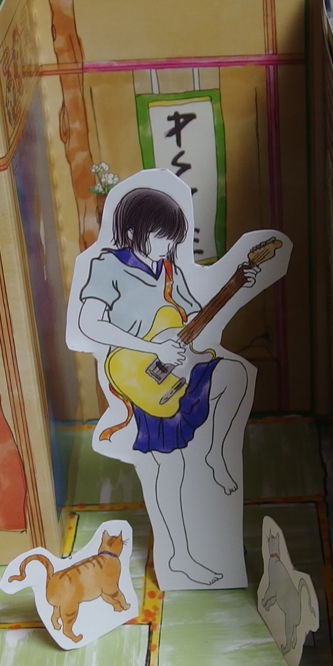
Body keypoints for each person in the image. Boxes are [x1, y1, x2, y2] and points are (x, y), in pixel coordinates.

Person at [75, 187, 257, 585]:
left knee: (235, 375)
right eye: (162, 237)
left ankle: (215, 453)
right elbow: (89, 323)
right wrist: (152, 346)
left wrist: (234, 288)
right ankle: (180, 558)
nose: (168, 246)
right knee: (170, 469)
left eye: (173, 239)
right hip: (139, 377)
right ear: (134, 230)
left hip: (179, 369)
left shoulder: (169, 269)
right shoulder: (108, 267)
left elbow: (194, 319)